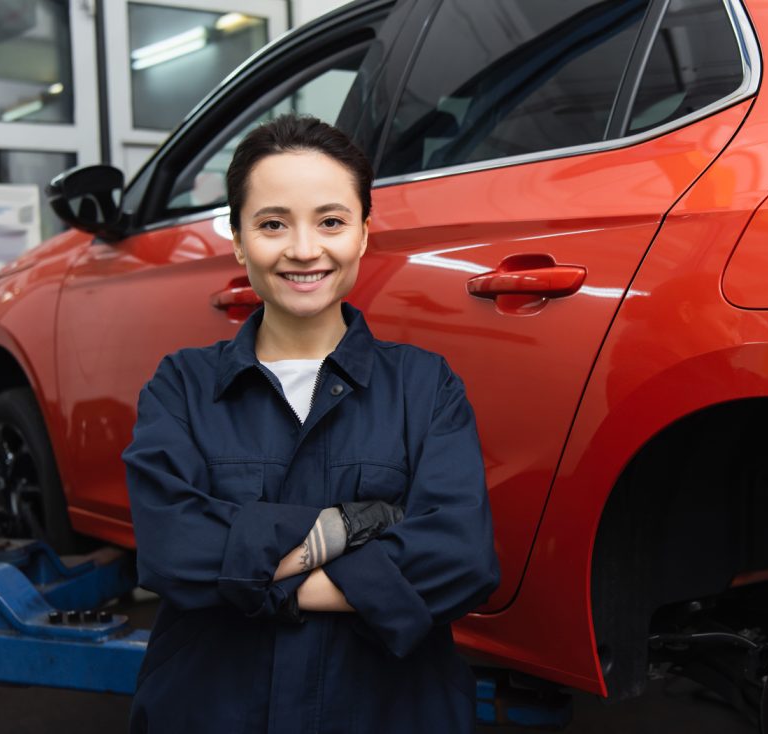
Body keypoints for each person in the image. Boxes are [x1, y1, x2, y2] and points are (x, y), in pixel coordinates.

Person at [123, 114, 500, 733]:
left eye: (331, 221)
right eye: (273, 224)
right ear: (240, 241)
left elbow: (461, 559)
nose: (303, 249)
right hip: (212, 711)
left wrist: (251, 573)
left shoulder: (426, 385)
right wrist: (366, 528)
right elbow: (173, 550)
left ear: (362, 235)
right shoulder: (181, 386)